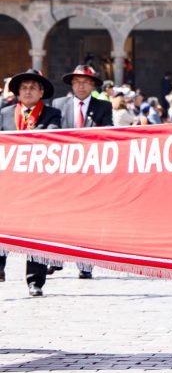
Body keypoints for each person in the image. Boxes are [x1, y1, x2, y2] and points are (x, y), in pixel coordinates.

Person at [0, 69, 61, 296]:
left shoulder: (51, 113)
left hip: (39, 183)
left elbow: (54, 133)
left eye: (32, 88)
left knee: (37, 231)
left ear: (41, 92)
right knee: (2, 223)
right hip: (8, 181)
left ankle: (35, 280)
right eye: (24, 88)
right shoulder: (5, 113)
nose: (27, 91)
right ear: (17, 92)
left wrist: (33, 135)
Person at [53, 64, 113, 278]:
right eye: (77, 82)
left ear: (92, 85)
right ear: (71, 84)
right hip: (64, 169)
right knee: (59, 214)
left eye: (85, 82)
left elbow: (110, 134)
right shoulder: (59, 104)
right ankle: (55, 257)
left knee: (87, 217)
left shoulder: (103, 107)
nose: (81, 86)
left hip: (90, 169)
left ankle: (85, 263)